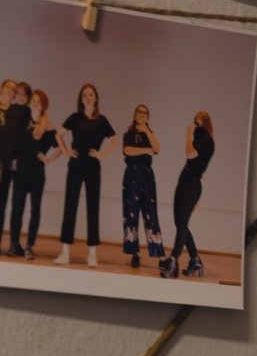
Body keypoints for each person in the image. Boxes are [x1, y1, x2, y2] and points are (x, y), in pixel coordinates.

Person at [56, 83, 115, 267]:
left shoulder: (102, 120)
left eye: (90, 94)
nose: (88, 97)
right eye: (85, 95)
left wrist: (102, 154)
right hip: (76, 164)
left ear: (96, 98)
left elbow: (115, 140)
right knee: (70, 205)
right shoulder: (75, 117)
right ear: (81, 99)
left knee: (93, 207)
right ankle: (65, 252)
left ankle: (92, 254)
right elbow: (59, 135)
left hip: (92, 166)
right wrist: (65, 150)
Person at [161, 111, 214, 279]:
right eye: (194, 122)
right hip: (185, 181)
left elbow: (190, 154)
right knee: (180, 223)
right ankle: (195, 260)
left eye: (198, 123)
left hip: (192, 184)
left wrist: (188, 134)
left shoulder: (207, 140)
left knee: (182, 223)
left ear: (205, 123)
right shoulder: (199, 139)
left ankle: (173, 259)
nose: (195, 126)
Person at [9, 90, 57, 259]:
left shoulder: (48, 126)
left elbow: (60, 146)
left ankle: (29, 246)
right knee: (17, 209)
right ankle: (14, 243)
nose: (36, 103)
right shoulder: (23, 121)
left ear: (44, 105)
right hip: (21, 172)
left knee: (35, 210)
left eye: (39, 101)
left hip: (37, 174)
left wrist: (48, 158)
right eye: (34, 100)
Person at [120, 103, 164, 269]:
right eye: (139, 112)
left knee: (151, 213)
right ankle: (134, 253)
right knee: (131, 212)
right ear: (134, 115)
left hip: (147, 175)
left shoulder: (149, 134)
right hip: (132, 174)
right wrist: (146, 150)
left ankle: (159, 254)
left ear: (148, 117)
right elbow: (127, 150)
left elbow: (157, 148)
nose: (141, 114)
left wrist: (146, 130)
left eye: (144, 113)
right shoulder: (128, 134)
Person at [0, 79, 22, 235]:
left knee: (1, 204)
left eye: (14, 89)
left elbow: (37, 112)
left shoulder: (17, 111)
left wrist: (44, 121)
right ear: (1, 88)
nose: (10, 90)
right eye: (8, 87)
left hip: (6, 165)